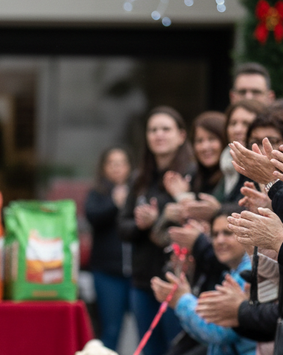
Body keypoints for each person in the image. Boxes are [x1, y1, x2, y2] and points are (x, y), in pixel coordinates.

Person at [119, 106, 195, 355]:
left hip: (178, 281)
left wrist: (160, 218)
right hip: (143, 281)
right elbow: (123, 227)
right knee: (148, 349)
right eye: (153, 130)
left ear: (181, 135)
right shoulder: (139, 178)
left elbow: (196, 225)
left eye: (165, 129)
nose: (158, 135)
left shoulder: (191, 175)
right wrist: (142, 225)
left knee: (177, 349)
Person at [151, 205, 255, 355]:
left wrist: (181, 300)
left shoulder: (249, 272)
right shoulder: (233, 271)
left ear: (247, 234)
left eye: (228, 233)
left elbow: (219, 331)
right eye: (215, 234)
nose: (220, 240)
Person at [86, 147, 134, 351]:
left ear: (129, 167)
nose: (117, 168)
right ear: (103, 167)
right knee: (111, 330)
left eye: (121, 163)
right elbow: (92, 217)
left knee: (143, 329)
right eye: (112, 163)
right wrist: (115, 203)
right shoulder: (97, 193)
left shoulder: (138, 192)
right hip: (107, 272)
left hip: (137, 274)